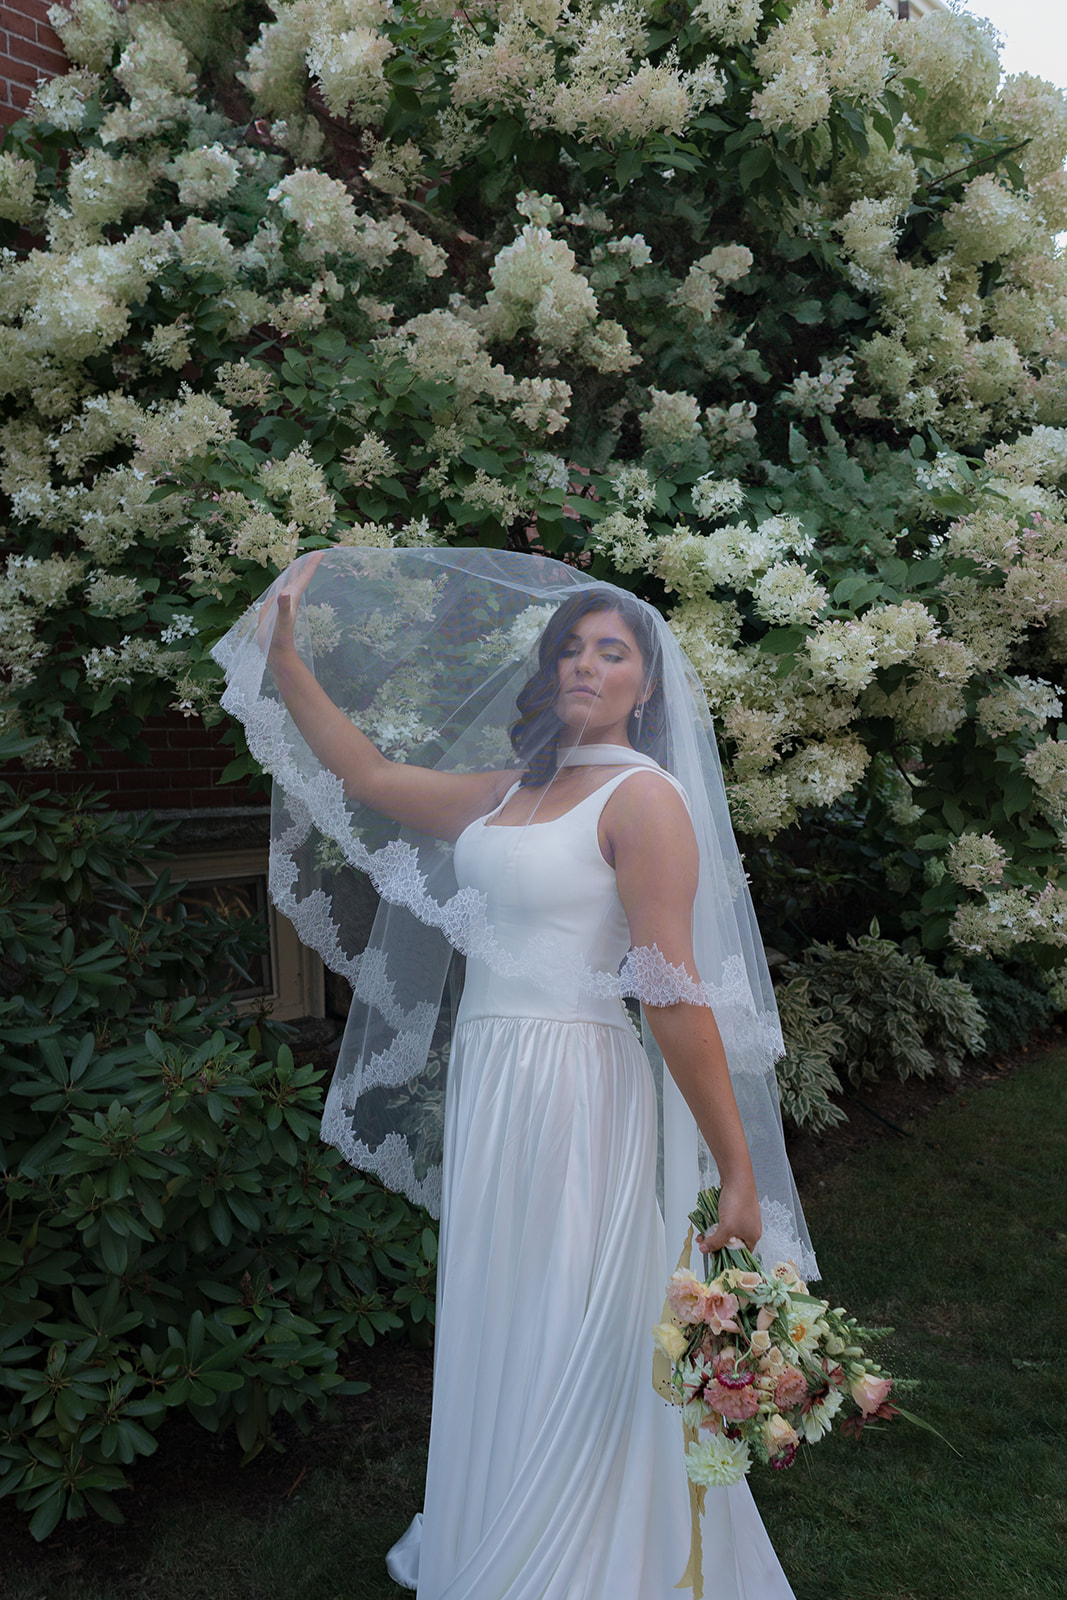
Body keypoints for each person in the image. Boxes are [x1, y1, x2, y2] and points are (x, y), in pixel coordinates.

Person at [215, 547, 812, 1599]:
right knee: (501, 1308)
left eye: (611, 650)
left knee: (569, 1312)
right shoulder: (517, 787)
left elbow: (670, 991)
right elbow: (368, 779)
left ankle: (580, 1553)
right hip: (496, 1085)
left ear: (645, 682)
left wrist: (735, 1167)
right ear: (546, 673)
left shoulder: (643, 800)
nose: (585, 664)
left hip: (577, 1089)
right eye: (570, 648)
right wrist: (287, 657)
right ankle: (498, 1509)